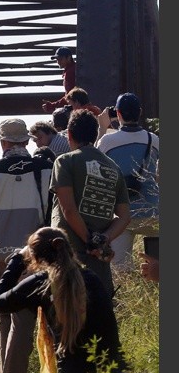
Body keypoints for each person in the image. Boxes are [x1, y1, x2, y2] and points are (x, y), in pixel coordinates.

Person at [0, 227, 130, 373]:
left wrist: (17, 260)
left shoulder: (40, 283)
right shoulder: (93, 278)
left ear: (34, 258)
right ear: (68, 249)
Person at [0, 117, 53, 373]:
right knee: (29, 320)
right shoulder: (44, 167)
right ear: (26, 141)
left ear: (4, 142)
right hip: (33, 254)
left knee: (6, 317)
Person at [50, 109, 131, 298]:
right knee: (100, 316)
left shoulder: (65, 161)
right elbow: (125, 217)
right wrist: (102, 240)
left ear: (69, 134)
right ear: (95, 134)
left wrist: (88, 240)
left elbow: (68, 210)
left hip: (68, 258)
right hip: (99, 263)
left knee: (67, 319)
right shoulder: (113, 167)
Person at [96, 93, 159, 272]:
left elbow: (93, 167)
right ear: (139, 113)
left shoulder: (107, 141)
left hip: (122, 215)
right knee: (159, 268)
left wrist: (102, 128)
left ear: (118, 113)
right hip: (152, 209)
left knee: (120, 270)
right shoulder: (153, 140)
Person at [41, 47, 76, 113]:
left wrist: (53, 105)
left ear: (68, 57)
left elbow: (70, 96)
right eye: (57, 59)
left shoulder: (70, 73)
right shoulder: (73, 69)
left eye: (60, 59)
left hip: (75, 108)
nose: (58, 62)